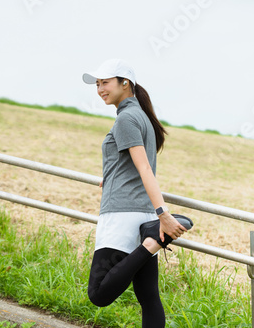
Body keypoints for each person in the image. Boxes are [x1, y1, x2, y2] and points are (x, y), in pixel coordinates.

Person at [82, 58, 193, 327]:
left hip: (122, 214)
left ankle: (152, 242)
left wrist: (163, 215)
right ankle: (152, 239)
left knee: (98, 294)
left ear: (125, 83)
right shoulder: (140, 116)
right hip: (141, 214)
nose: (100, 89)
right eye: (97, 84)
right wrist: (110, 175)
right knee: (148, 296)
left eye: (105, 83)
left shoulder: (127, 118)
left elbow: (144, 168)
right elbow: (131, 163)